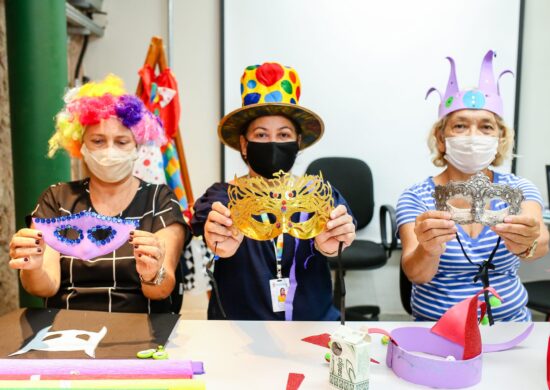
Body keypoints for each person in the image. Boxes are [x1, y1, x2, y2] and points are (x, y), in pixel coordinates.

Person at [8, 75, 188, 313]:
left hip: (138, 330)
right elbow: (44, 287)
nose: (109, 151)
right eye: (98, 141)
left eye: (122, 141)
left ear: (137, 146)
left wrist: (153, 274)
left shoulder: (159, 200)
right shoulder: (57, 199)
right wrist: (33, 266)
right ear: (80, 144)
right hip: (66, 330)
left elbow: (162, 289)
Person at [191, 62, 356, 320]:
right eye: (261, 134)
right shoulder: (222, 197)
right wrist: (219, 241)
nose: (272, 144)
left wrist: (332, 243)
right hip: (240, 333)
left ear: (298, 143)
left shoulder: (320, 194)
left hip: (310, 328)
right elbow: (207, 225)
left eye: (283, 135)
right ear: (244, 144)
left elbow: (341, 227)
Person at [396, 51, 549, 321]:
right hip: (438, 330)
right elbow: (416, 274)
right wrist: (428, 248)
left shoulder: (519, 188)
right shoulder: (416, 197)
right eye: (460, 126)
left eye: (486, 127)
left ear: (500, 139)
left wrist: (528, 242)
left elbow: (541, 243)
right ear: (441, 138)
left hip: (509, 326)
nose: (473, 136)